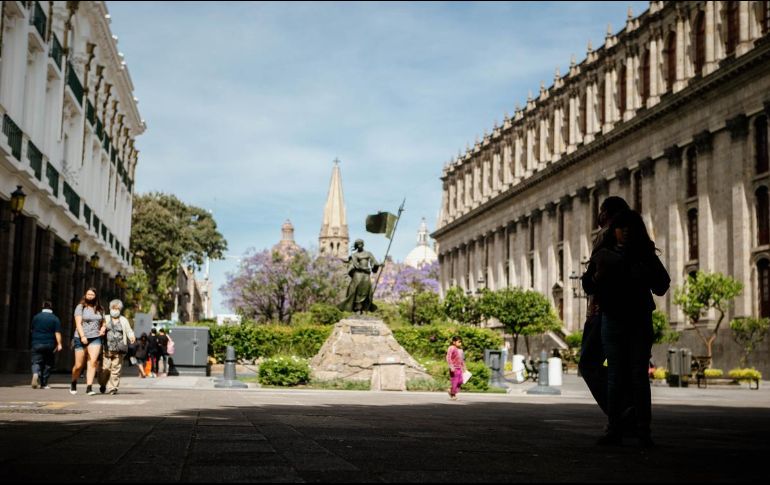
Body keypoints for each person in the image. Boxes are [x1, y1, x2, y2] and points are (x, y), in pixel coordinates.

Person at [589, 209, 670, 447]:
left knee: (638, 376)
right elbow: (587, 284)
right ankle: (615, 429)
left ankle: (643, 430)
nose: (624, 230)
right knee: (615, 376)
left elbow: (662, 284)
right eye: (620, 226)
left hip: (638, 320)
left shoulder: (645, 256)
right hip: (612, 320)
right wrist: (597, 277)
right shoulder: (603, 254)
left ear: (636, 231)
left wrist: (642, 274)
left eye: (629, 227)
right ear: (613, 231)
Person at [579, 196, 630, 416]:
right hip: (634, 312)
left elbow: (591, 281)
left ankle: (620, 412)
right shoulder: (638, 239)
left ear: (607, 214)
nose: (598, 216)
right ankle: (635, 418)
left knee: (589, 363)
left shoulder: (606, 237)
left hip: (603, 311)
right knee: (630, 368)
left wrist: (593, 279)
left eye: (601, 211)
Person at [70, 288, 106, 396]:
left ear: (96, 296)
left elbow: (103, 322)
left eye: (92, 295)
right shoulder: (80, 307)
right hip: (80, 337)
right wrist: (83, 336)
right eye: (88, 294)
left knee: (93, 362)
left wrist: (103, 328)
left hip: (95, 337)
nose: (90, 296)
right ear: (85, 295)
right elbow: (78, 323)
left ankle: (89, 387)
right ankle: (73, 382)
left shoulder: (100, 309)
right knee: (78, 365)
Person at [97, 299, 136, 395]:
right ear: (110, 308)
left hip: (119, 349)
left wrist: (131, 336)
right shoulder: (105, 318)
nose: (115, 310)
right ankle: (102, 384)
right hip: (106, 348)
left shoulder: (123, 320)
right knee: (105, 369)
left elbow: (129, 330)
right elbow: (99, 328)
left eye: (117, 308)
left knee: (116, 369)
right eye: (114, 308)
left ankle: (113, 388)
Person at [338, 239, 380, 313]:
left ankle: (364, 309)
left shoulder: (368, 254)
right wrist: (347, 272)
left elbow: (374, 263)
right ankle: (357, 308)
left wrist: (377, 265)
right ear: (356, 246)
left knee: (366, 292)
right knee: (356, 291)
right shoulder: (355, 255)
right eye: (358, 244)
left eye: (361, 244)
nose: (359, 245)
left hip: (366, 275)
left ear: (363, 244)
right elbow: (354, 265)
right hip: (358, 274)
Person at [30, 301, 63, 389]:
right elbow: (57, 332)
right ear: (51, 307)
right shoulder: (55, 318)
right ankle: (43, 383)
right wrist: (59, 344)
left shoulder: (36, 317)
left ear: (42, 307)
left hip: (36, 343)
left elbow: (32, 329)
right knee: (48, 363)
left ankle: (36, 373)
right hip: (49, 344)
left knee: (36, 361)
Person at [446, 336, 466, 400]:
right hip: (454, 368)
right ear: (454, 342)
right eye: (459, 342)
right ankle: (453, 395)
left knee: (460, 381)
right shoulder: (451, 348)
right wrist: (451, 366)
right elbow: (448, 357)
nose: (460, 343)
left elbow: (462, 359)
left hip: (459, 368)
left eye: (461, 342)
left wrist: (464, 367)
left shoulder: (461, 350)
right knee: (454, 382)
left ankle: (451, 390)